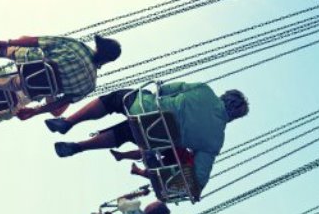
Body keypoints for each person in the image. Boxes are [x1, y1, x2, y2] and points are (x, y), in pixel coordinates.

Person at [46, 82, 250, 194]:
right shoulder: (216, 141)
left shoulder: (205, 91)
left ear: (224, 96)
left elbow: (164, 89)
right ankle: (77, 147)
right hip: (155, 140)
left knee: (117, 100)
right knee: (132, 132)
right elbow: (199, 178)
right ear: (235, 117)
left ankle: (69, 122)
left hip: (145, 110)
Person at [0, 33, 123, 121]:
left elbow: (36, 40)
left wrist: (10, 42)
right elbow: (59, 103)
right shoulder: (89, 85)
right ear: (107, 61)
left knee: (7, 51)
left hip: (29, 63)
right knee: (18, 84)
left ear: (99, 48)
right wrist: (35, 111)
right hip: (32, 87)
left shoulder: (77, 47)